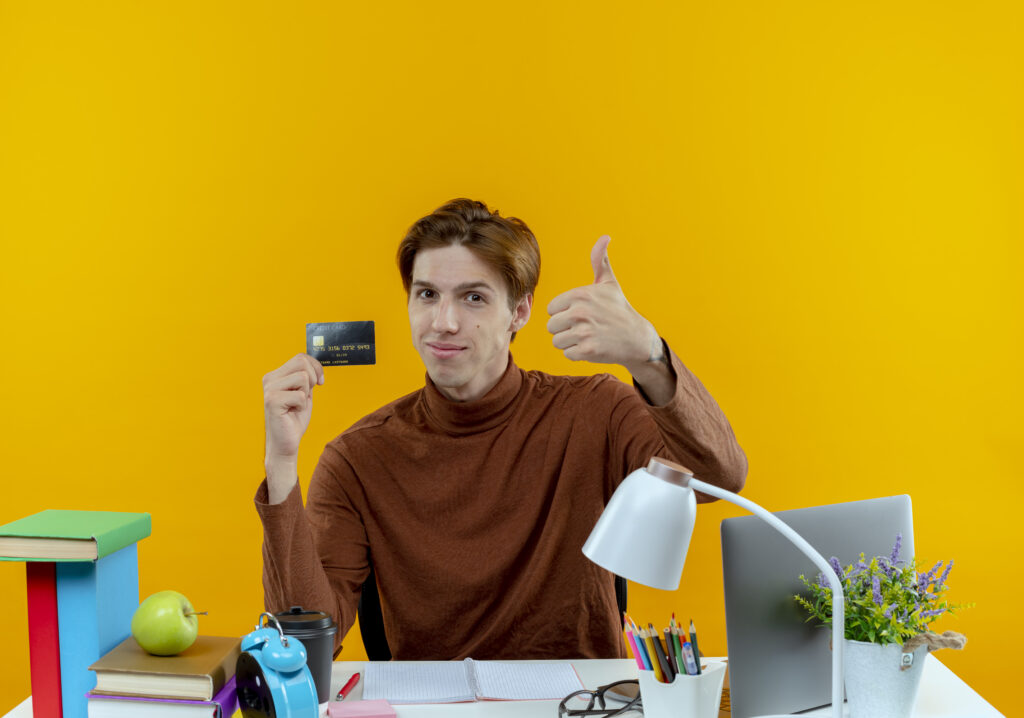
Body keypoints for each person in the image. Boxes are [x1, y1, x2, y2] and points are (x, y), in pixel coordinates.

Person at [256, 198, 747, 660]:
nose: (443, 322)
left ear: (520, 312)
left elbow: (720, 478)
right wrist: (280, 465)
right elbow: (303, 647)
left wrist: (650, 355)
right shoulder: (357, 460)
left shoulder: (596, 410)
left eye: (473, 298)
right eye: (427, 295)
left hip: (580, 707)